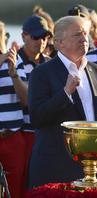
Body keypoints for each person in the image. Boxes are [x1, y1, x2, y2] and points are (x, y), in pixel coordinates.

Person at [28, 15, 97, 188]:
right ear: (60, 42)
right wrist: (66, 92)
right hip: (59, 170)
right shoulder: (42, 73)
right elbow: (37, 118)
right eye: (77, 35)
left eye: (85, 33)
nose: (85, 39)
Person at [16, 15, 52, 190]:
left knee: (41, 185)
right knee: (20, 185)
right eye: (36, 37)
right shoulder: (15, 61)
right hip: (21, 134)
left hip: (45, 134)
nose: (42, 41)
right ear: (24, 36)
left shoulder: (51, 64)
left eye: (45, 37)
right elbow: (26, 100)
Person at [0, 21, 28, 198]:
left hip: (13, 137)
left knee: (15, 189)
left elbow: (26, 100)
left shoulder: (15, 60)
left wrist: (14, 74)